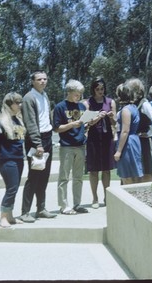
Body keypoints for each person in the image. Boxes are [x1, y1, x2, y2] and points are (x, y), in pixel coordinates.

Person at [19, 71, 57, 222]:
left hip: (47, 137)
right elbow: (30, 122)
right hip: (37, 140)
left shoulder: (44, 95)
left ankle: (41, 208)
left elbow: (46, 118)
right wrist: (37, 143)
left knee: (45, 175)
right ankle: (24, 212)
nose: (43, 81)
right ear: (32, 81)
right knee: (34, 176)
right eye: (39, 79)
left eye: (45, 79)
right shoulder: (29, 97)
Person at [0, 92, 26, 227]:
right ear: (10, 104)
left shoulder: (17, 119)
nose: (20, 105)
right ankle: (3, 217)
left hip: (18, 158)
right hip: (7, 159)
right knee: (11, 188)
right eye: (17, 102)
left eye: (20, 102)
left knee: (14, 188)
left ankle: (10, 216)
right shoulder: (2, 121)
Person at [53, 79, 89, 215]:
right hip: (67, 146)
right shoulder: (60, 107)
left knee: (78, 177)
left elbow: (84, 126)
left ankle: (77, 204)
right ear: (69, 92)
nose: (78, 97)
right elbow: (56, 128)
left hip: (80, 145)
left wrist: (90, 122)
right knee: (64, 177)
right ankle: (64, 205)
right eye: (76, 94)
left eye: (80, 94)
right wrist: (71, 125)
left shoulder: (82, 107)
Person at [83, 77, 117, 208]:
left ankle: (107, 197)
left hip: (107, 138)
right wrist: (98, 117)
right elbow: (87, 122)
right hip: (93, 138)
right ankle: (95, 198)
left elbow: (115, 123)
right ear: (93, 90)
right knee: (93, 170)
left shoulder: (110, 102)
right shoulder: (88, 103)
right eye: (97, 89)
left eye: (102, 89)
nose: (100, 91)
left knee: (107, 170)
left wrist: (111, 117)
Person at [125, 78, 152, 182]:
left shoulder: (144, 104)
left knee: (144, 171)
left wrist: (149, 133)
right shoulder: (130, 104)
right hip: (132, 142)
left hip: (142, 142)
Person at [114, 82, 143, 184]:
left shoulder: (126, 110)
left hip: (128, 143)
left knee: (127, 176)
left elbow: (125, 131)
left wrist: (119, 151)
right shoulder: (134, 107)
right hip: (134, 140)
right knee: (134, 173)